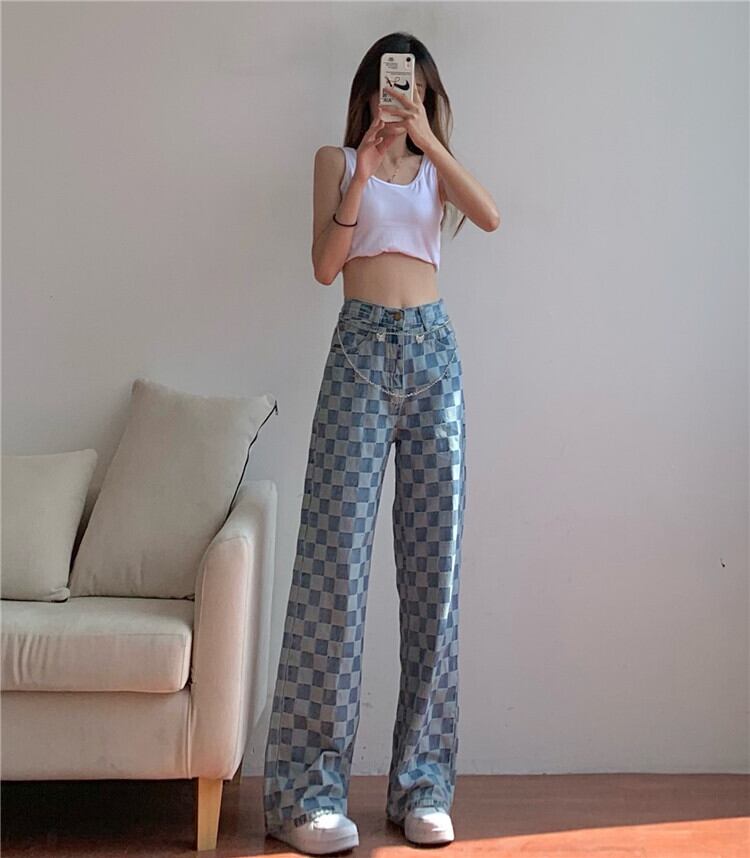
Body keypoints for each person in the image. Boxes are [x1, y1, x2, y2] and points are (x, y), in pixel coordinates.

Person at [263, 31, 500, 856]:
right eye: (391, 88)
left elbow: (490, 216)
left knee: (435, 575)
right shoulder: (336, 162)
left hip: (434, 357)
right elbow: (325, 267)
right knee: (334, 571)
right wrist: (362, 172)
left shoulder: (437, 168)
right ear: (367, 91)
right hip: (360, 355)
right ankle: (306, 796)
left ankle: (423, 786)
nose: (400, 100)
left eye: (415, 90)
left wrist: (428, 139)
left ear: (426, 98)